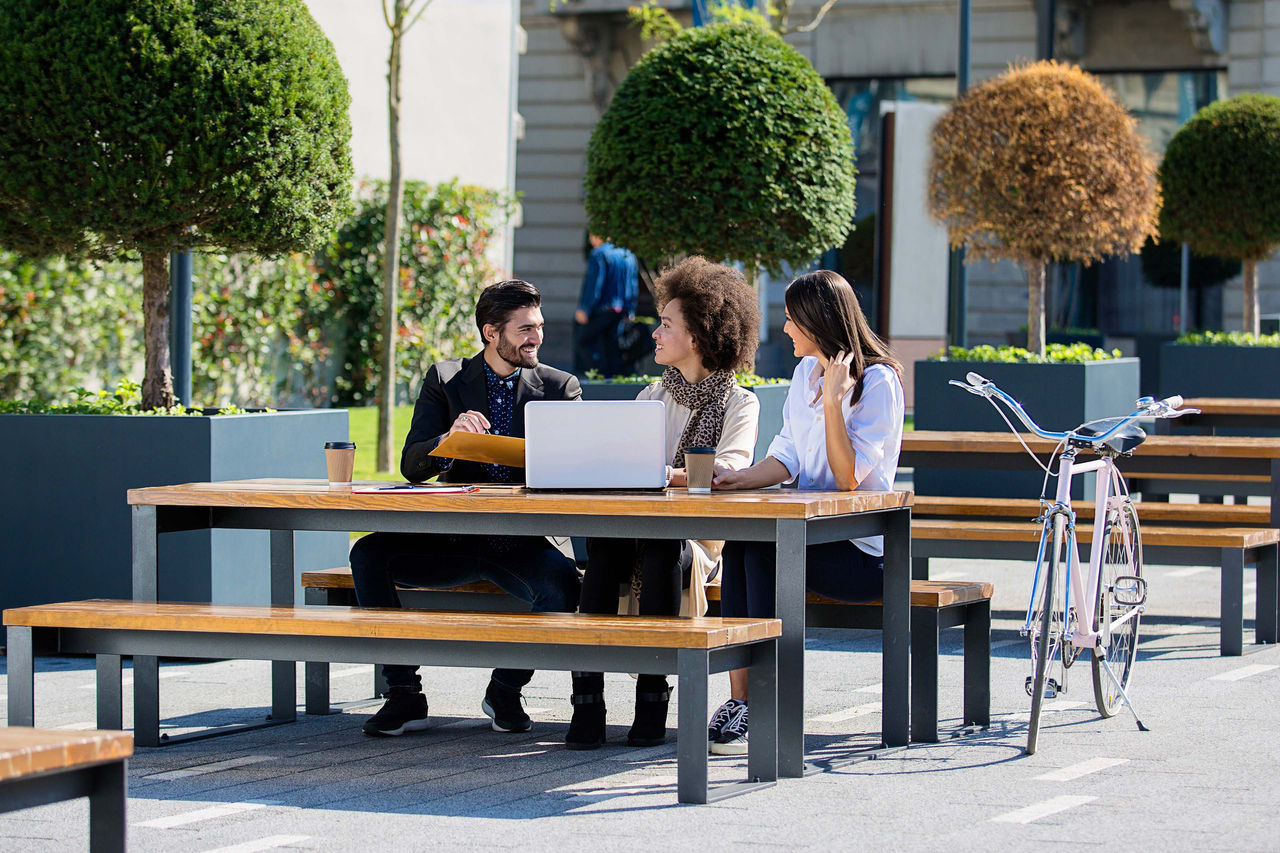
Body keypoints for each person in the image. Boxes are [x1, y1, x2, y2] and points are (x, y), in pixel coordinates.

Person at [350, 279, 583, 737]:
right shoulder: (446, 379)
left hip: (521, 541)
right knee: (368, 554)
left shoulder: (560, 387)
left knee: (561, 588)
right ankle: (404, 694)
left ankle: (505, 689)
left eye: (538, 327)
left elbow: (578, 468)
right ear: (490, 333)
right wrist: (447, 441)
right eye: (524, 329)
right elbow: (413, 466)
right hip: (452, 535)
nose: (535, 337)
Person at [566, 256, 761, 750]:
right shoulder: (652, 394)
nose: (654, 334)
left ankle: (653, 700)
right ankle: (586, 702)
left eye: (666, 325)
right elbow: (626, 468)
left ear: (695, 338)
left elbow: (722, 473)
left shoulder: (741, 403)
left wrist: (658, 474)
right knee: (605, 544)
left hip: (698, 541)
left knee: (661, 546)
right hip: (639, 527)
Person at [707, 270, 905, 756]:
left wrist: (835, 402)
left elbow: (847, 478)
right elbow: (787, 456)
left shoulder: (878, 381)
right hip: (809, 536)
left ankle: (761, 702)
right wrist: (735, 478)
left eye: (793, 320)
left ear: (819, 323)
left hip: (862, 554)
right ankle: (745, 702)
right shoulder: (803, 374)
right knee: (746, 544)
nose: (786, 329)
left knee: (764, 553)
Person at [574, 234, 638, 376]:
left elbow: (594, 285)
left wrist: (584, 308)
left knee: (584, 341)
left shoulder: (598, 254)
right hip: (621, 309)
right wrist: (631, 310)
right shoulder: (628, 255)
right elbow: (633, 285)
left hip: (602, 308)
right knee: (612, 346)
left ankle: (598, 374)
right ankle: (614, 378)